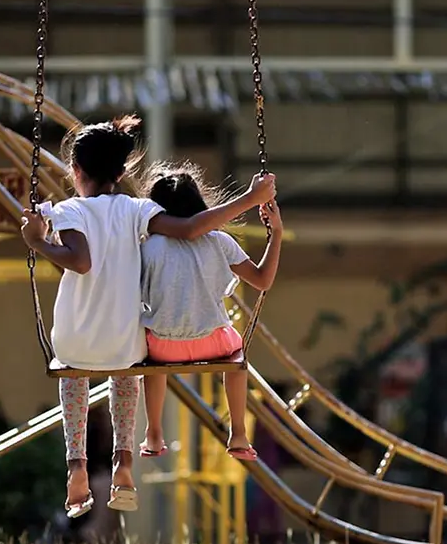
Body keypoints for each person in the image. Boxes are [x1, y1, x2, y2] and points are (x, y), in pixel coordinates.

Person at [20, 115, 276, 518]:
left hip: (73, 342)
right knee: (130, 371)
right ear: (122, 173)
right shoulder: (137, 209)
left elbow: (80, 261)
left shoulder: (68, 210)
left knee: (72, 378)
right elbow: (192, 229)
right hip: (124, 343)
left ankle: (78, 465)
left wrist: (38, 243)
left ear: (75, 170)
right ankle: (123, 463)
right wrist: (248, 199)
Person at [137, 161, 283, 461]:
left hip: (163, 349)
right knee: (237, 356)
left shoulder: (147, 248)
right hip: (213, 344)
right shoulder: (219, 241)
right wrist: (276, 234)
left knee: (147, 360)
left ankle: (153, 432)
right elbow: (263, 280)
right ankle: (239, 433)